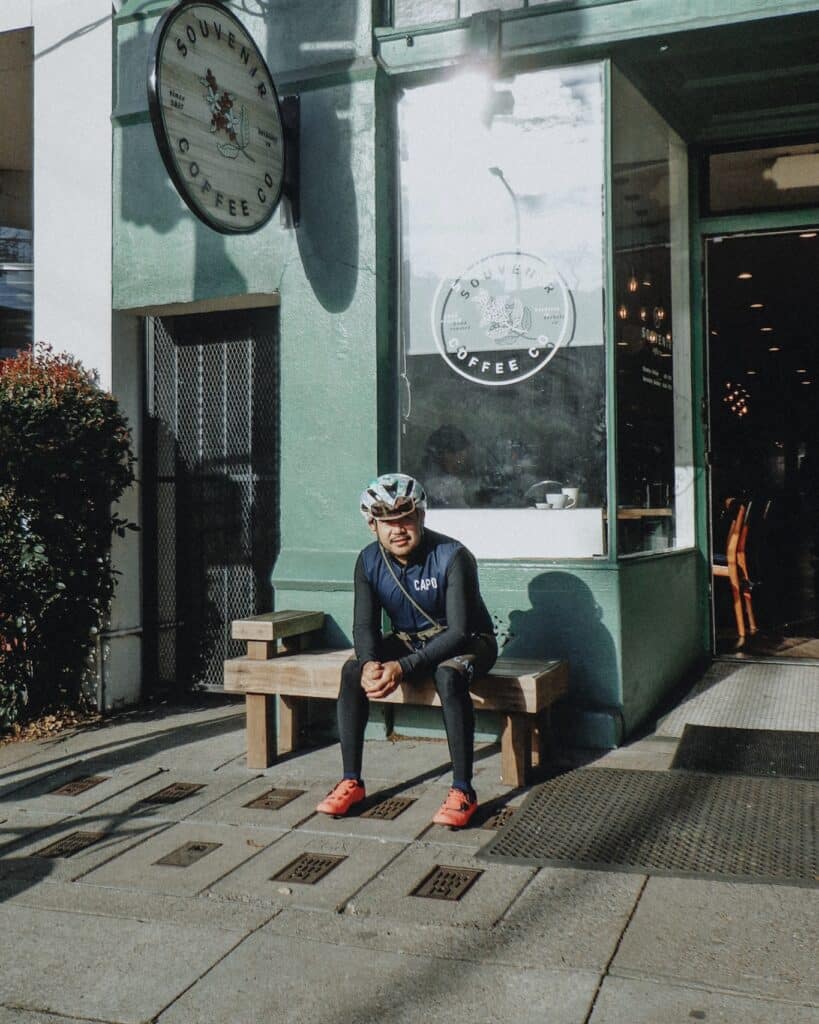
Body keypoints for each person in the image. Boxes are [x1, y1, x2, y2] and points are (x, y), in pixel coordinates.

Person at [316, 473, 497, 828]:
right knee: (352, 671)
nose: (398, 530)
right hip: (413, 642)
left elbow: (460, 630)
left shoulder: (453, 556)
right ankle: (351, 781)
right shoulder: (368, 561)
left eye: (406, 519)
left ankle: (464, 790)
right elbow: (365, 626)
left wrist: (402, 666)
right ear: (373, 526)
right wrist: (370, 662)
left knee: (448, 675)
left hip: (469, 642)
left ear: (422, 517)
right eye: (387, 522)